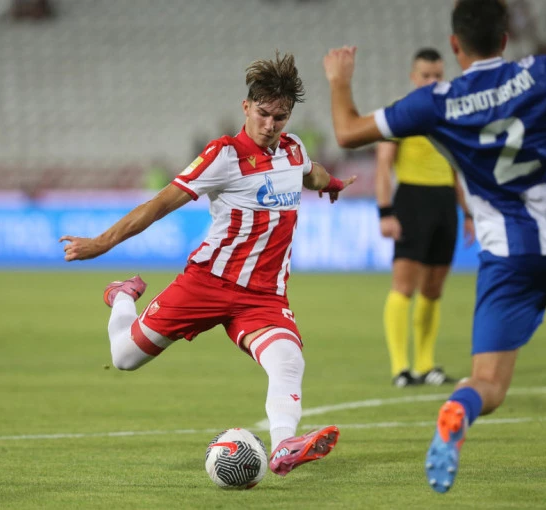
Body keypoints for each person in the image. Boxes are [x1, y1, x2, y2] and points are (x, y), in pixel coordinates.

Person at [323, 0, 546, 493]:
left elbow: (348, 131)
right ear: (505, 39)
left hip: (508, 254)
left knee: (489, 383)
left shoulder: (435, 101)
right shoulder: (541, 71)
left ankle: (459, 409)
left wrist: (339, 81)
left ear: (455, 45)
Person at [61, 51, 355, 477]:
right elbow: (159, 205)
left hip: (263, 296)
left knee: (288, 359)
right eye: (263, 114)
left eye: (280, 117)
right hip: (208, 283)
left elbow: (312, 173)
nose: (270, 125)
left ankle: (284, 446)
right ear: (246, 107)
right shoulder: (224, 155)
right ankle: (122, 296)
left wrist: (333, 183)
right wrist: (101, 243)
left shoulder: (292, 150)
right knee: (124, 357)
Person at [375, 48, 475, 388]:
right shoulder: (400, 113)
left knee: (433, 289)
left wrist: (467, 212)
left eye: (437, 75)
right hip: (412, 202)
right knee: (404, 286)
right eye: (426, 75)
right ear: (413, 77)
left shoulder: (450, 114)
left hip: (445, 203)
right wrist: (385, 211)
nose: (432, 81)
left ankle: (425, 364)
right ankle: (400, 368)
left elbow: (455, 167)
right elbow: (383, 165)